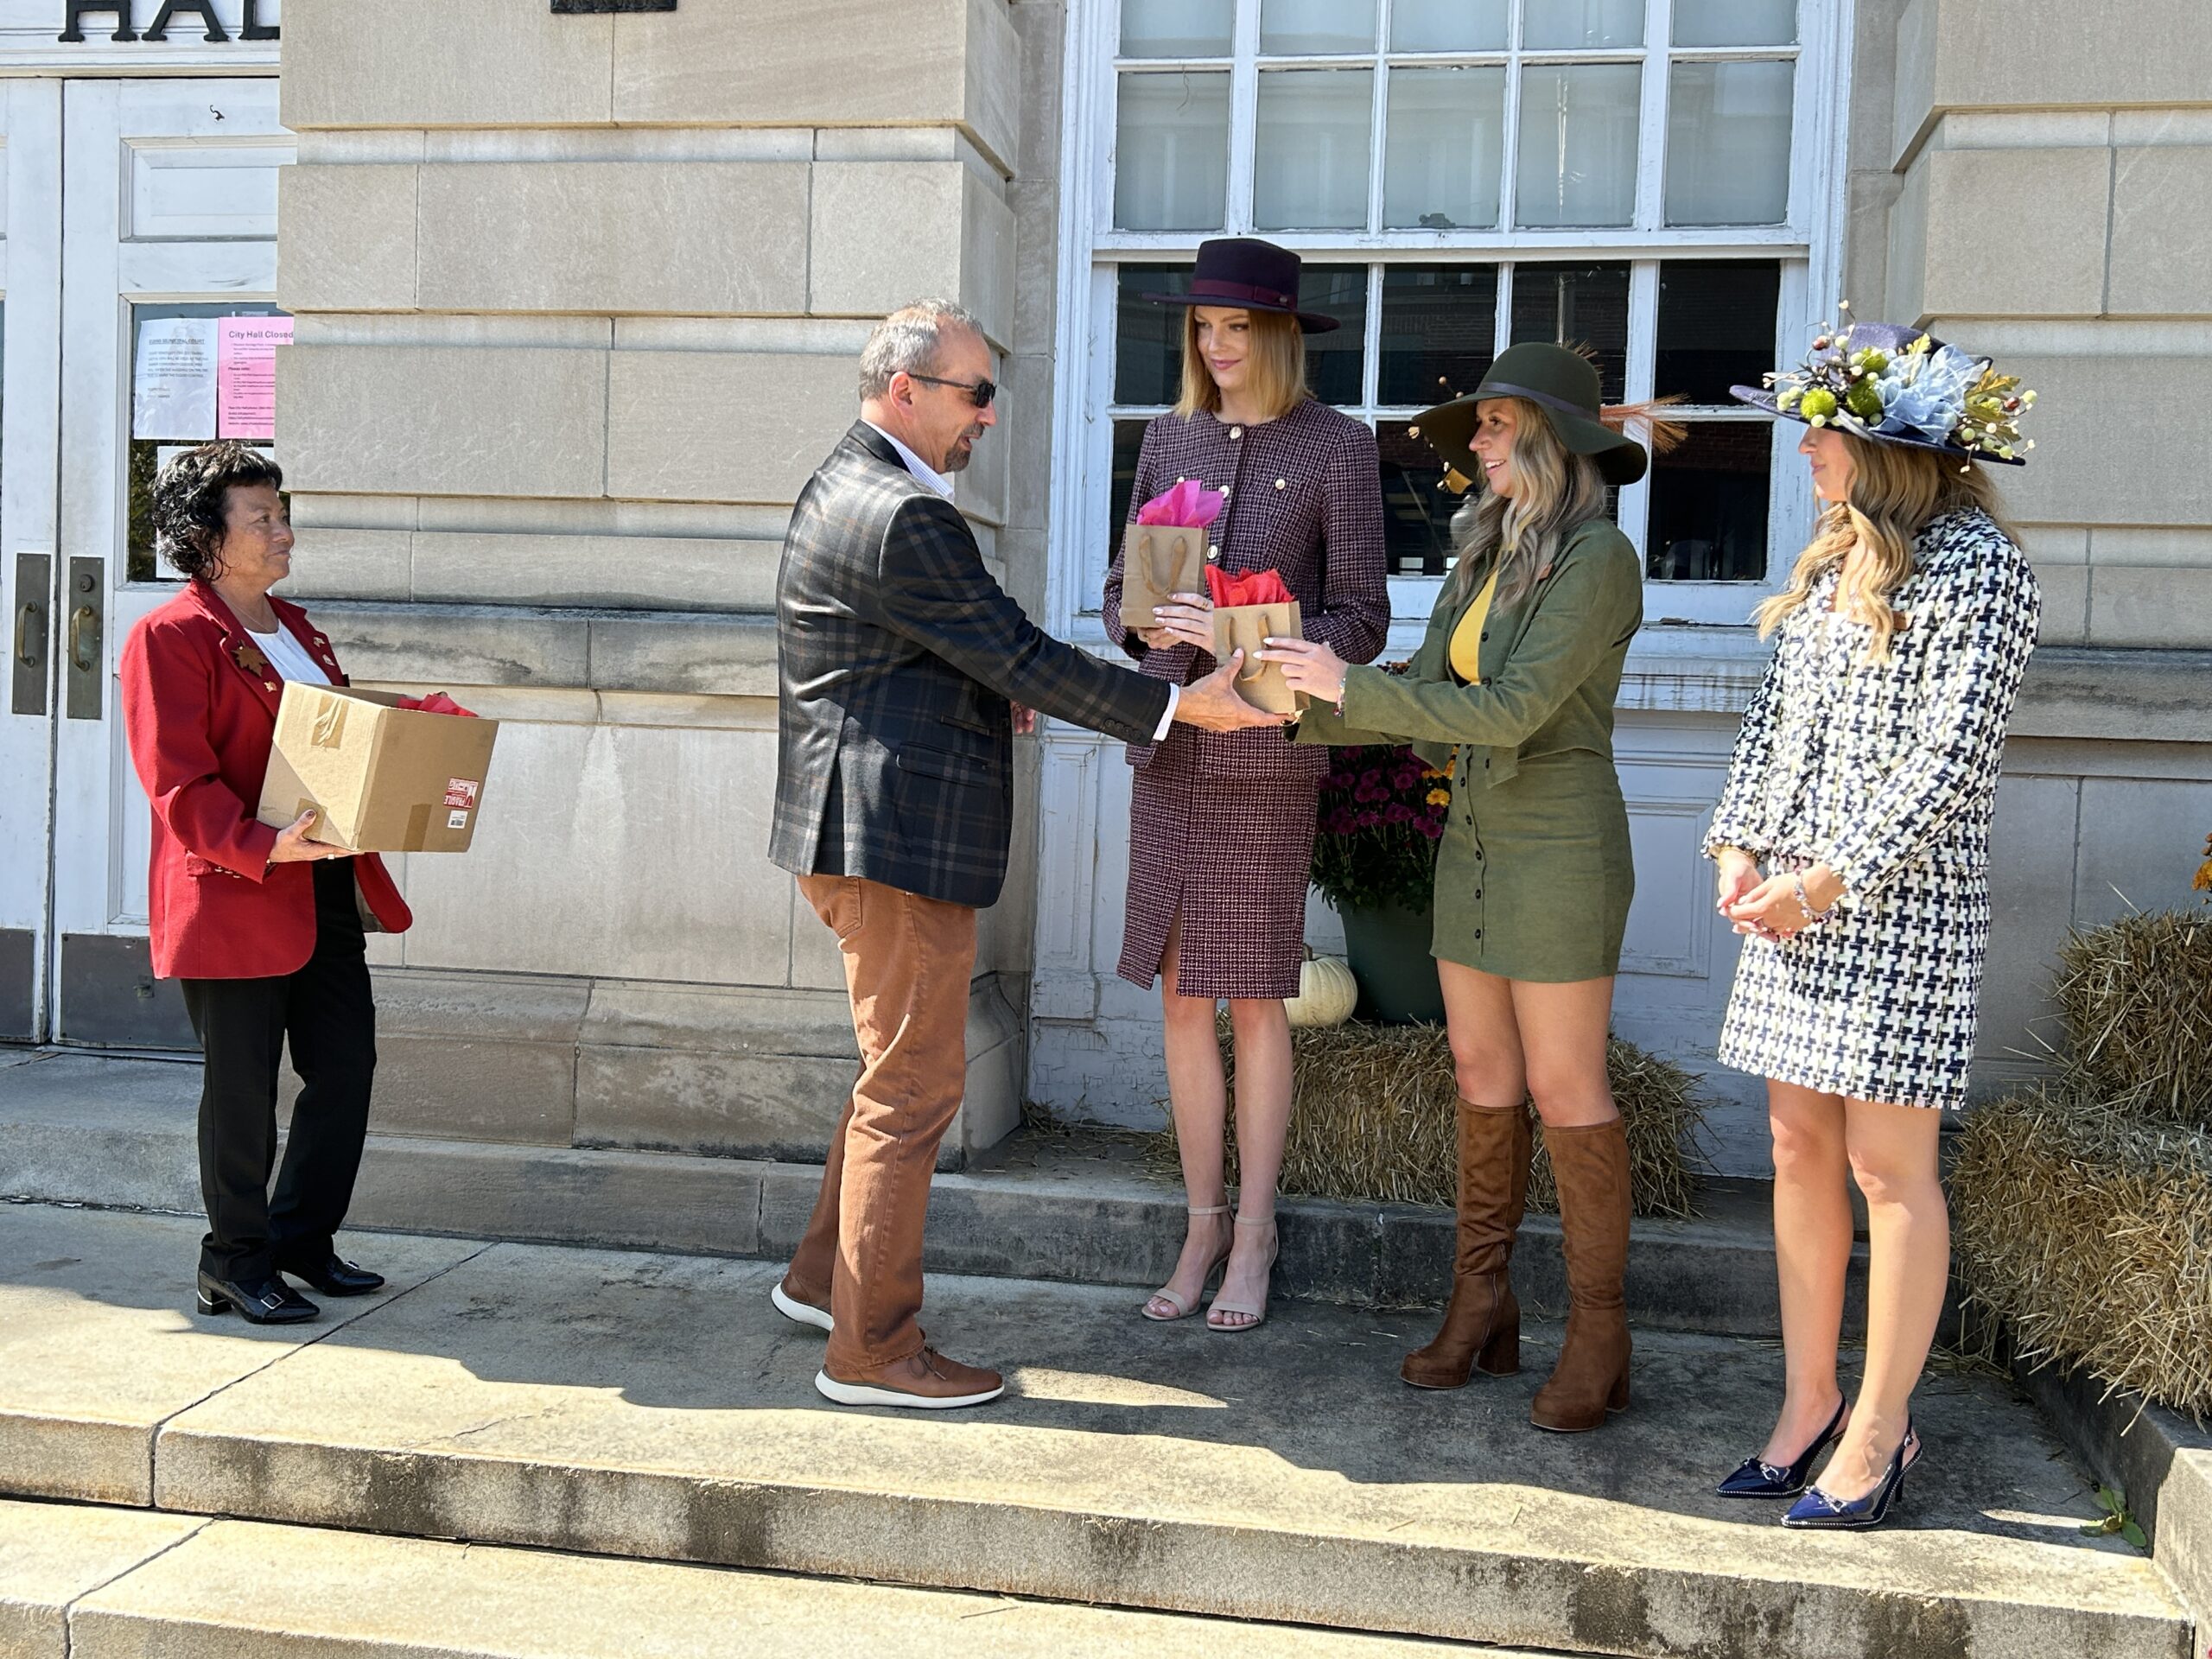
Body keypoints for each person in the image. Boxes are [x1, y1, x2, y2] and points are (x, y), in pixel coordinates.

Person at [767, 299, 1281, 1409]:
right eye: (977, 393)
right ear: (905, 390)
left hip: (858, 829)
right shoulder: (905, 512)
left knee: (891, 1075)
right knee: (913, 1087)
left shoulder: (847, 481)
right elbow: (1013, 648)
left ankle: (821, 1283)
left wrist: (985, 691)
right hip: (894, 840)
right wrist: (1177, 707)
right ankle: (873, 1353)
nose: (989, 416)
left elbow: (922, 653)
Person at [1265, 343, 1657, 1433]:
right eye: (1476, 426)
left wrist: (1349, 689)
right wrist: (1279, 690)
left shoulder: (1598, 558)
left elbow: (1514, 711)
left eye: (1492, 424)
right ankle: (1481, 1302)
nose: (1475, 442)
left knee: (1565, 1087)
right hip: (1473, 839)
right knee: (1481, 1072)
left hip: (1561, 845)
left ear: (1548, 437)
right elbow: (1430, 704)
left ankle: (1600, 1330)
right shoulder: (1482, 557)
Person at [1705, 321, 2041, 1529]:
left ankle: (1883, 1428)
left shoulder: (1984, 571)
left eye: (1821, 432)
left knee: (1887, 1170)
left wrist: (1829, 881)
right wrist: (1739, 842)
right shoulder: (1834, 558)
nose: (1803, 449)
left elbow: (1951, 761)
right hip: (1792, 904)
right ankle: (1809, 1402)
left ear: (1887, 447)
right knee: (1796, 1148)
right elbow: (1771, 727)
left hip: (1900, 908)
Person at [1106, 238, 1389, 1332]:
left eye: (1236, 327)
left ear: (1276, 333)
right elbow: (1120, 589)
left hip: (1266, 759)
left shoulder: (1337, 447)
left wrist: (1243, 628)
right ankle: (1201, 1224)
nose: (1217, 346)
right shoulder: (1168, 435)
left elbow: (1362, 617)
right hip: (1171, 741)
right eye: (1203, 327)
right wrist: (1145, 623)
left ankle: (1257, 1232)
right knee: (1181, 996)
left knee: (1256, 995)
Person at [119, 442, 412, 1325]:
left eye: (283, 516)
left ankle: (301, 1240)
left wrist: (410, 749)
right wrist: (262, 844)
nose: (284, 532)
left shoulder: (300, 630)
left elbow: (336, 742)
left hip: (322, 883)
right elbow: (177, 781)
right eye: (262, 519)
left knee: (345, 1068)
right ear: (207, 537)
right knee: (242, 1090)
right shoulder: (170, 636)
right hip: (233, 890)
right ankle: (235, 1260)